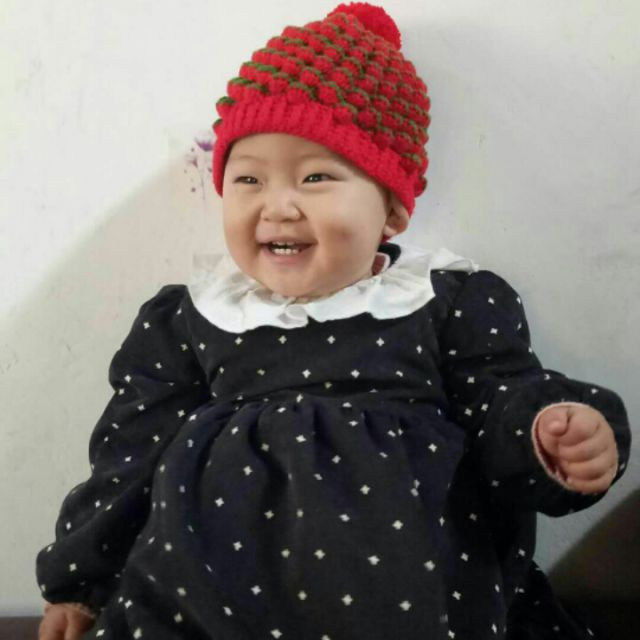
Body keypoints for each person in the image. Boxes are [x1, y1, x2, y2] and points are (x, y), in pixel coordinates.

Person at [36, 3, 631, 639]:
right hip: (209, 606)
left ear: (392, 210)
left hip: (414, 601)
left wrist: (549, 431)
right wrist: (80, 584)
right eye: (248, 179)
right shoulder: (189, 318)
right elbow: (129, 456)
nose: (277, 205)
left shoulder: (444, 302)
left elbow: (500, 397)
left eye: (316, 176)